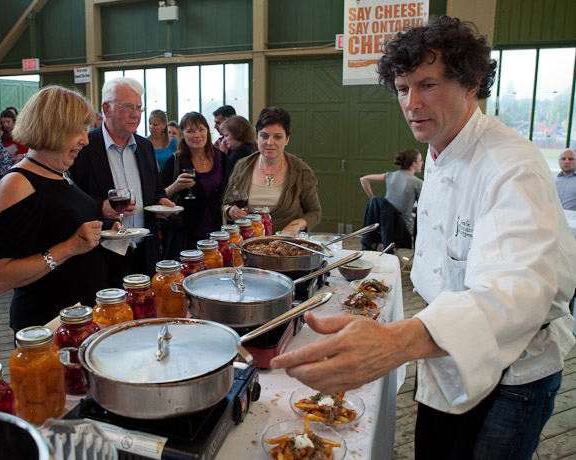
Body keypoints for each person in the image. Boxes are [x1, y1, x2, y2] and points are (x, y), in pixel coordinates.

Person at [271, 16, 576, 460]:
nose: (411, 103)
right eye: (402, 88)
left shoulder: (512, 165)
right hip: (445, 352)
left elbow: (516, 292)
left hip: (513, 373)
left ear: (471, 83)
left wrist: (398, 341)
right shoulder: (440, 150)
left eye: (427, 85)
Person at [0, 86, 109, 333]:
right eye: (77, 130)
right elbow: (0, 278)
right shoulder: (16, 183)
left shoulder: (59, 172)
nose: (85, 139)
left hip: (78, 320)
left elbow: (54, 226)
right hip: (47, 325)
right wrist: (68, 247)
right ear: (51, 129)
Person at [69, 77, 174, 284]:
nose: (135, 114)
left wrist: (161, 202)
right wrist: (100, 207)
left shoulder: (145, 146)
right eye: (127, 106)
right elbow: (72, 196)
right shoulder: (84, 147)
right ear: (106, 109)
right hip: (104, 255)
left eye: (139, 107)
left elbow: (157, 190)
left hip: (145, 252)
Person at [223, 107, 322, 236]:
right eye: (264, 136)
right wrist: (230, 211)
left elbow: (315, 212)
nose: (270, 142)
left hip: (284, 242)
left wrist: (298, 224)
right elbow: (227, 204)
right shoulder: (242, 166)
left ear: (287, 139)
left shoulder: (300, 170)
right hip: (246, 242)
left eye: (278, 137)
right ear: (257, 137)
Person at [160, 112, 231, 259]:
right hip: (185, 237)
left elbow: (232, 191)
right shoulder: (175, 161)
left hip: (219, 236)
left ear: (207, 132)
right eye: (190, 131)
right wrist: (175, 186)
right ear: (182, 135)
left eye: (200, 129)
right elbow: (158, 196)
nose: (197, 135)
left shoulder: (221, 159)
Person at [360, 149, 423, 251]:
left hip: (382, 226)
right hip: (402, 229)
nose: (422, 163)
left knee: (380, 203)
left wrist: (373, 200)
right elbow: (422, 207)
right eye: (420, 160)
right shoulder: (417, 183)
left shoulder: (390, 175)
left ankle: (384, 249)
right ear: (414, 163)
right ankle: (390, 252)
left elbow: (364, 179)